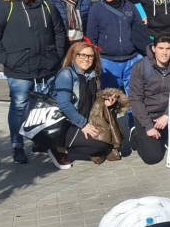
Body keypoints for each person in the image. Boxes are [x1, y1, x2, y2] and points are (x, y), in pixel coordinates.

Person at [0, 0, 66, 164]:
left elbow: (59, 33)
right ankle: (17, 146)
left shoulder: (47, 6)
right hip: (19, 71)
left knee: (44, 108)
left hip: (47, 69)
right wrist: (7, 59)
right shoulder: (5, 7)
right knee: (19, 108)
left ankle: (41, 142)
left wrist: (57, 56)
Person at [50, 41, 124, 169]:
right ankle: (59, 149)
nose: (86, 59)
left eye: (90, 56)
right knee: (101, 145)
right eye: (82, 55)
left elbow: (91, 101)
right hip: (66, 124)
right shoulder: (66, 74)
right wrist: (83, 125)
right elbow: (64, 105)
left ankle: (80, 145)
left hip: (82, 120)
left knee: (110, 138)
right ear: (74, 56)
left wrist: (105, 103)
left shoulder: (92, 76)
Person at [86, 0, 149, 91]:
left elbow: (139, 32)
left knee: (135, 95)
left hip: (131, 60)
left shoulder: (130, 7)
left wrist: (147, 52)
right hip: (107, 61)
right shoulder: (96, 9)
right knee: (110, 97)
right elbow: (91, 36)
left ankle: (132, 111)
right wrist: (94, 59)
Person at [128, 35, 170, 165]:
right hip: (147, 115)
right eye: (161, 48)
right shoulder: (141, 66)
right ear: (154, 48)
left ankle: (165, 134)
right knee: (153, 157)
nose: (165, 52)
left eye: (168, 48)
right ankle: (136, 133)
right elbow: (135, 99)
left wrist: (168, 114)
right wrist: (148, 126)